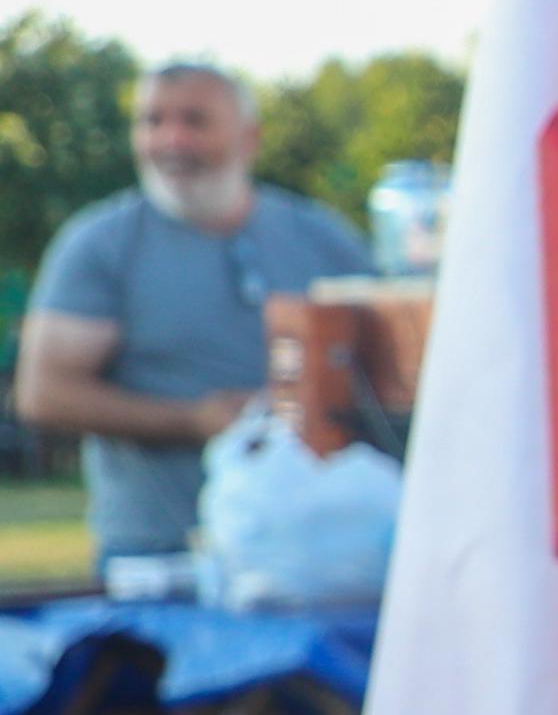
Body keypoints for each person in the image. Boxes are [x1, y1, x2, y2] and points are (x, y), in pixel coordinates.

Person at [14, 64, 371, 564]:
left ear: (250, 138)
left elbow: (392, 371)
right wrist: (194, 420)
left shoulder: (323, 239)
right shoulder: (102, 244)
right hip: (159, 554)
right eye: (152, 121)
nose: (170, 140)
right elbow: (43, 394)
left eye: (194, 121)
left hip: (312, 553)